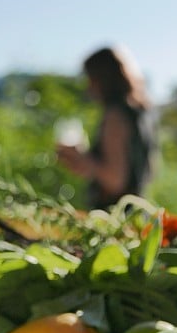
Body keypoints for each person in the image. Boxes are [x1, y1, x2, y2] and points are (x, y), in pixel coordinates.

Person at [57, 46, 157, 210]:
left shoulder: (115, 116)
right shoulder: (141, 111)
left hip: (114, 215)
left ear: (102, 78)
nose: (88, 87)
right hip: (137, 212)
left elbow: (115, 179)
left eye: (90, 78)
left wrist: (83, 160)